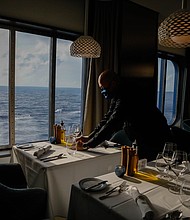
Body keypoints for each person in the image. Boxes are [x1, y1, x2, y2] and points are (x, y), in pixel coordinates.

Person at [76, 69, 172, 161]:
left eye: (104, 88)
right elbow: (108, 117)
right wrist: (89, 137)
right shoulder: (117, 92)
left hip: (153, 135)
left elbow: (113, 122)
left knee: (147, 167)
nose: (103, 91)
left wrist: (89, 145)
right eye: (101, 88)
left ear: (113, 83)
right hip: (140, 135)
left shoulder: (128, 94)